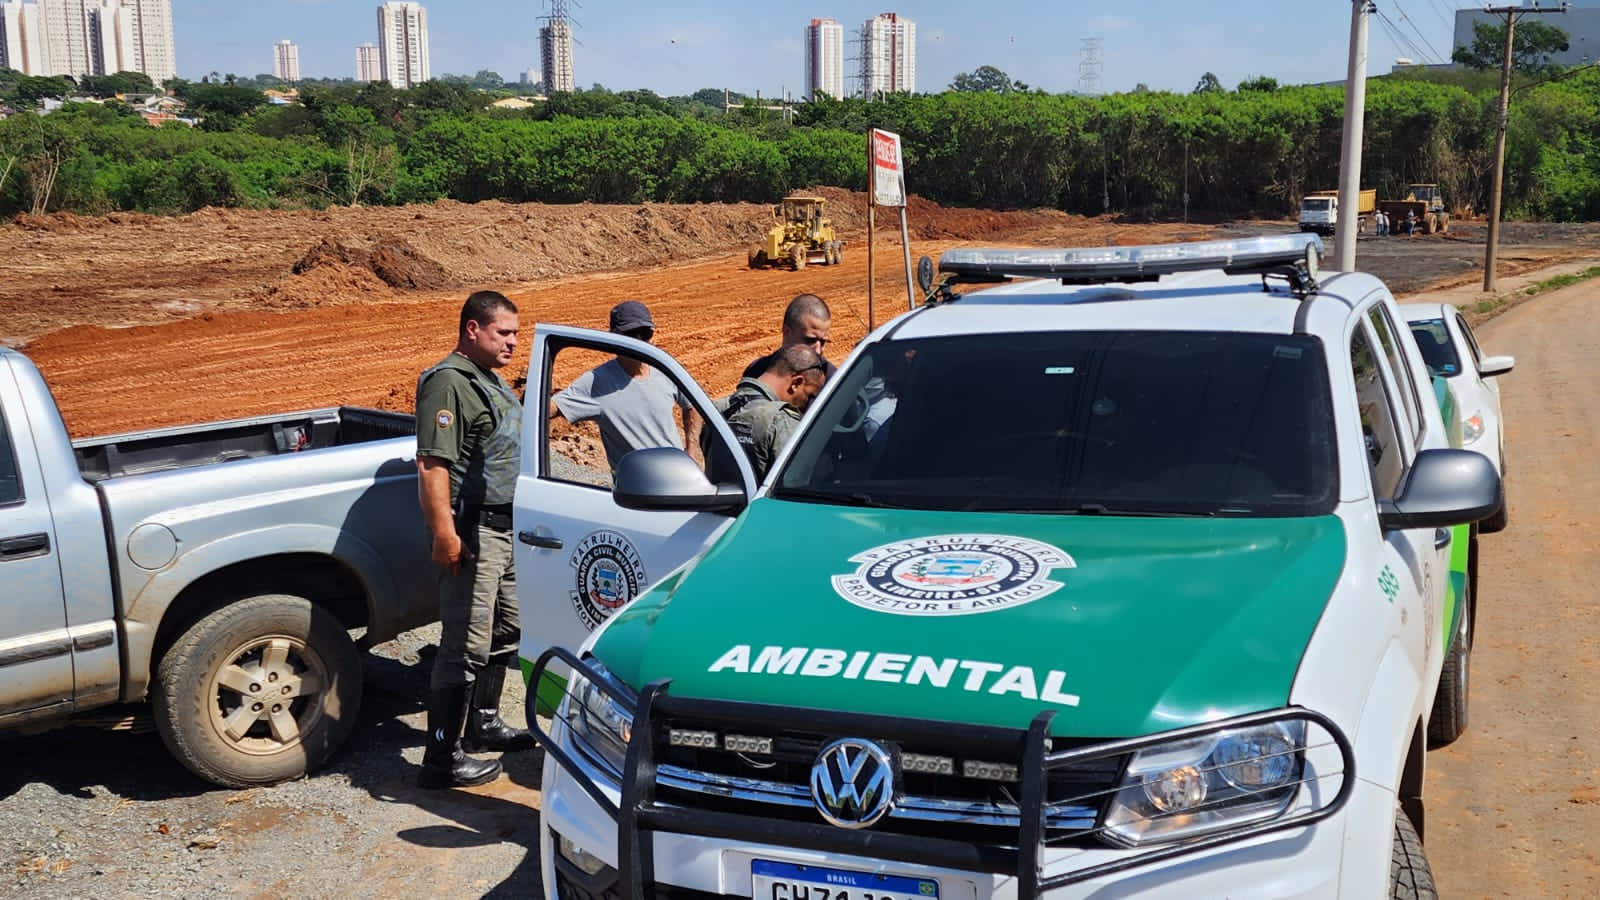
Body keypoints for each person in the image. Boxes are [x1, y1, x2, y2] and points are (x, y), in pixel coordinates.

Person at [414, 290, 535, 790]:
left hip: (507, 529)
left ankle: (482, 723)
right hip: (475, 531)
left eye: (515, 333)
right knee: (463, 643)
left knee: (507, 629)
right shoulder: (449, 382)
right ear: (473, 329)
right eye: (504, 332)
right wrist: (444, 533)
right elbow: (432, 465)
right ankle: (441, 759)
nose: (513, 342)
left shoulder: (490, 380)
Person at [549, 300, 700, 471]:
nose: (638, 341)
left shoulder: (664, 369)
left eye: (645, 333)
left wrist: (692, 449)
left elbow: (692, 405)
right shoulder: (596, 382)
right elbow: (551, 408)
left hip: (679, 475)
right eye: (631, 334)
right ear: (613, 338)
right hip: (635, 485)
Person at [726, 345, 828, 481]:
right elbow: (793, 482)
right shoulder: (781, 420)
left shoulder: (717, 410)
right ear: (796, 383)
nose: (807, 404)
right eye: (809, 396)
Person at [742, 293, 837, 380]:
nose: (818, 351)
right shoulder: (757, 372)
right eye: (810, 340)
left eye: (823, 342)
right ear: (786, 332)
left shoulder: (832, 381)